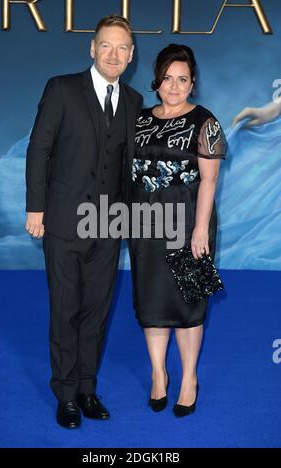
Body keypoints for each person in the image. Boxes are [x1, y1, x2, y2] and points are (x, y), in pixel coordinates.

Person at [25, 16, 142, 429]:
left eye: (122, 48)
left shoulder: (132, 100)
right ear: (91, 49)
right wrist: (35, 209)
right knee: (65, 308)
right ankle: (65, 394)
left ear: (130, 56)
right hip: (61, 220)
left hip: (109, 225)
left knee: (96, 310)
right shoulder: (62, 88)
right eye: (106, 46)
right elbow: (39, 149)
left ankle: (87, 389)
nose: (113, 54)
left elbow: (129, 166)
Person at [129, 44, 227, 417]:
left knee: (189, 303)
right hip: (145, 223)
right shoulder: (137, 119)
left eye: (182, 79)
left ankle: (188, 378)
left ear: (192, 83)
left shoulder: (206, 122)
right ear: (157, 80)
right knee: (151, 301)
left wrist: (201, 229)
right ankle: (158, 375)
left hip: (189, 222)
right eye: (167, 78)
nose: (174, 86)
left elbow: (209, 180)